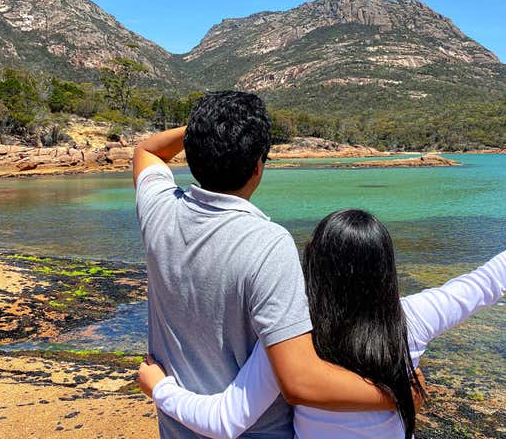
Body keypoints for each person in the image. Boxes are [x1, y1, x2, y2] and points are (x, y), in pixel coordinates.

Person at [137, 191, 506, 438]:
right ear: (385, 266)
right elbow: (488, 282)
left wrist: (161, 387)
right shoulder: (411, 319)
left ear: (313, 265)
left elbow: (224, 421)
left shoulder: (293, 341)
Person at [133, 91, 399, 439]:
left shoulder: (158, 212)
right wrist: (397, 394)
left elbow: (147, 150)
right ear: (258, 166)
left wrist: (208, 130)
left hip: (176, 428)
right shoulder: (268, 243)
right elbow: (299, 382)